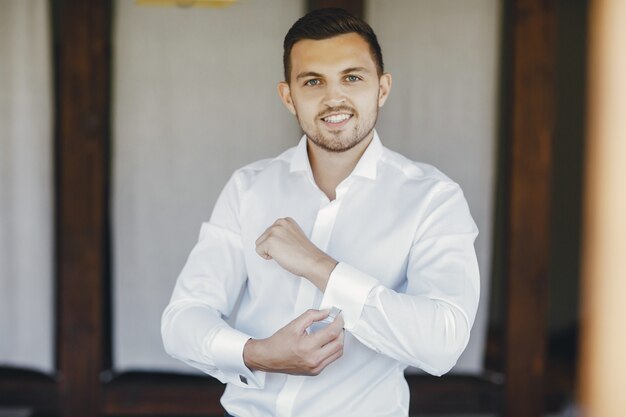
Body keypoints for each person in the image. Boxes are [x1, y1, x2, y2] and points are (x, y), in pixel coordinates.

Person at [162, 8, 479, 417]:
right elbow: (182, 319)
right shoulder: (249, 187)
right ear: (289, 97)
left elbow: (444, 342)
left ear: (382, 89)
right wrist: (256, 354)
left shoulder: (433, 198)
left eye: (352, 77)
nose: (334, 98)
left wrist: (319, 266)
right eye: (313, 81)